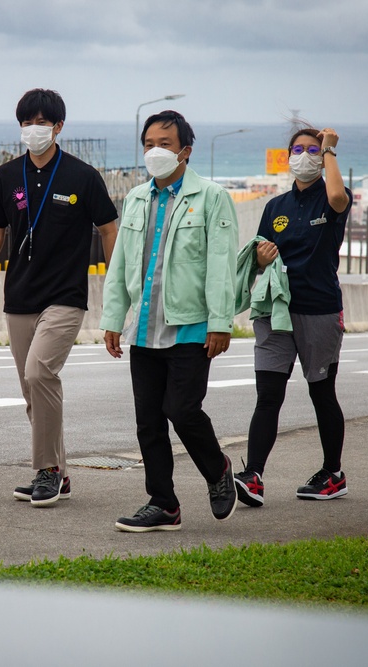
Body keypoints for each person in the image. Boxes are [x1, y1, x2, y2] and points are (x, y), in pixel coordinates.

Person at [0, 88, 118, 507]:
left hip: (66, 296)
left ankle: (46, 471)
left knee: (39, 374)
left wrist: (117, 282)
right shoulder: (7, 175)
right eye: (26, 123)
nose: (33, 130)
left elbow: (108, 228)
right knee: (34, 390)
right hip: (20, 295)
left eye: (41, 122)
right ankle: (59, 474)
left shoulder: (82, 176)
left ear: (59, 127)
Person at [100, 110, 239, 532]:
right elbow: (121, 263)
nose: (154, 152)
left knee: (181, 409)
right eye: (148, 145)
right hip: (144, 327)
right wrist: (112, 318)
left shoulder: (211, 197)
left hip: (192, 326)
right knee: (148, 422)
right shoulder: (138, 199)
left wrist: (221, 322)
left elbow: (220, 265)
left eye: (163, 144)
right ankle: (163, 503)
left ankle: (217, 470)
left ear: (185, 151)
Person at [234, 126, 352, 508]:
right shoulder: (275, 207)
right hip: (275, 311)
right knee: (268, 394)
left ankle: (333, 473)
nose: (304, 155)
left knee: (322, 393)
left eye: (312, 150)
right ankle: (253, 475)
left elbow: (336, 196)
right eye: (297, 149)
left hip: (318, 309)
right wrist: (260, 257)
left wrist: (330, 151)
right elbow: (258, 253)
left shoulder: (332, 197)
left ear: (322, 156)